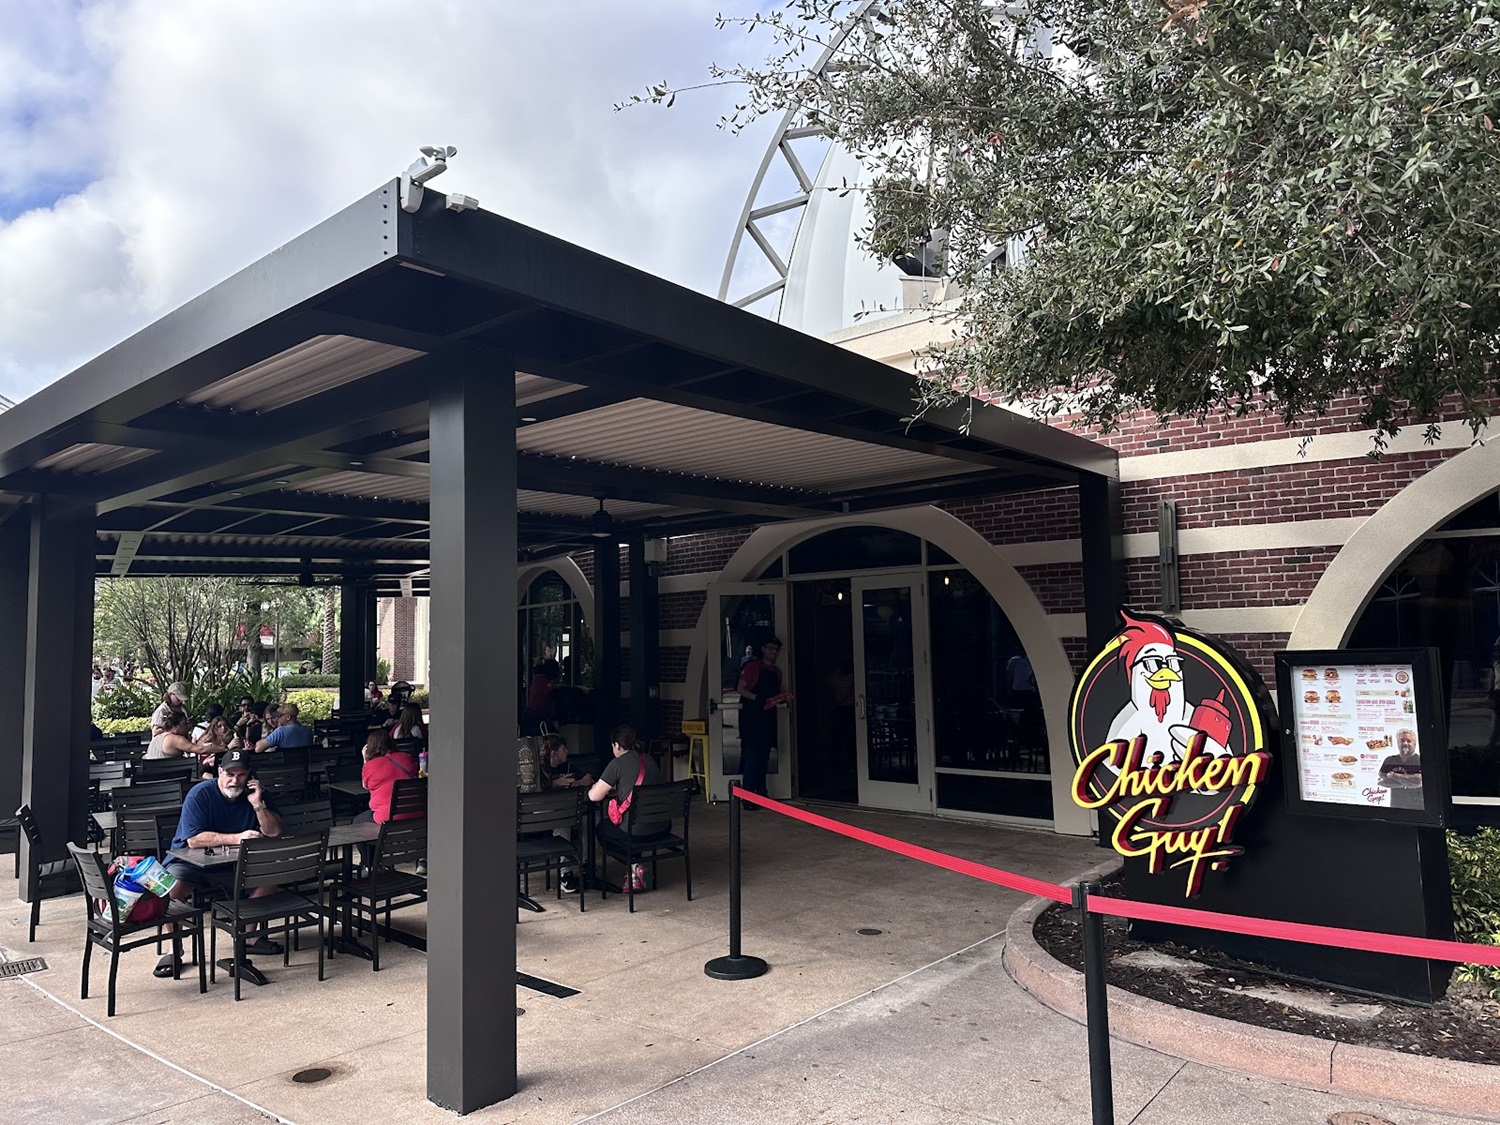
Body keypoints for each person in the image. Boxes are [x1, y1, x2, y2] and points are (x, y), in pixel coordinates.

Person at [162, 750, 283, 985]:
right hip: (191, 863)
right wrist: (237, 838)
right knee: (169, 889)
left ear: (250, 775)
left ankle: (248, 937)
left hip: (235, 864)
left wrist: (258, 805)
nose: (235, 780)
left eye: (241, 774)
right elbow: (193, 840)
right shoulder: (200, 794)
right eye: (230, 774)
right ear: (219, 772)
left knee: (271, 876)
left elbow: (274, 832)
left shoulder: (258, 794)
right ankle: (174, 948)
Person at [587, 724, 666, 892]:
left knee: (602, 830)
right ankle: (633, 877)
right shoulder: (649, 759)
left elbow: (594, 796)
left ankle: (635, 865)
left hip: (636, 830)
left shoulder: (617, 763)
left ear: (616, 745)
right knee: (632, 823)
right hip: (661, 826)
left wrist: (591, 787)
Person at [353, 729, 421, 867]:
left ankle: (370, 865)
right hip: (416, 813)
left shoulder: (371, 765)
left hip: (388, 817)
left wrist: (365, 759)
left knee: (358, 823)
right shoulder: (406, 757)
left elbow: (366, 786)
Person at [735, 637, 790, 801]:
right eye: (771, 648)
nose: (774, 652)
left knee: (763, 758)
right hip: (751, 718)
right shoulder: (753, 667)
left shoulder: (777, 673)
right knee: (752, 757)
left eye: (777, 649)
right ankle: (748, 797)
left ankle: (761, 794)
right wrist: (757, 699)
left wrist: (781, 699)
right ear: (763, 649)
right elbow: (740, 688)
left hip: (767, 719)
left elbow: (775, 693)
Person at [1379, 728, 1424, 811]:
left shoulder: (1420, 761)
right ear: (1398, 743)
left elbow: (1419, 781)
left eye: (1408, 741)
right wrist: (1409, 783)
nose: (1405, 743)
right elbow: (1381, 781)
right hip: (1396, 807)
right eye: (1402, 741)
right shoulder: (1390, 760)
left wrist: (1394, 776)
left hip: (1417, 809)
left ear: (1414, 744)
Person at [522, 659, 559, 736]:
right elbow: (553, 694)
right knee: (539, 736)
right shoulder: (543, 681)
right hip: (535, 714)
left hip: (533, 713)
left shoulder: (538, 679)